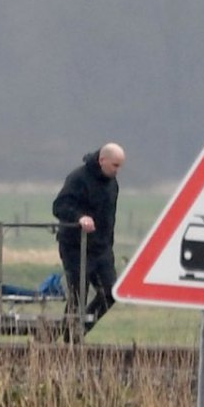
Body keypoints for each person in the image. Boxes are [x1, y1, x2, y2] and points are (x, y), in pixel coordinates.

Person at [52, 142, 125, 339]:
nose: (118, 171)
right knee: (78, 297)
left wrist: (108, 245)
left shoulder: (112, 184)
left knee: (111, 293)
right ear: (102, 160)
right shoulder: (78, 178)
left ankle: (78, 330)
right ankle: (59, 339)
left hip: (102, 249)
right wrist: (79, 217)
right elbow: (59, 206)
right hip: (76, 247)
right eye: (115, 166)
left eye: (120, 166)